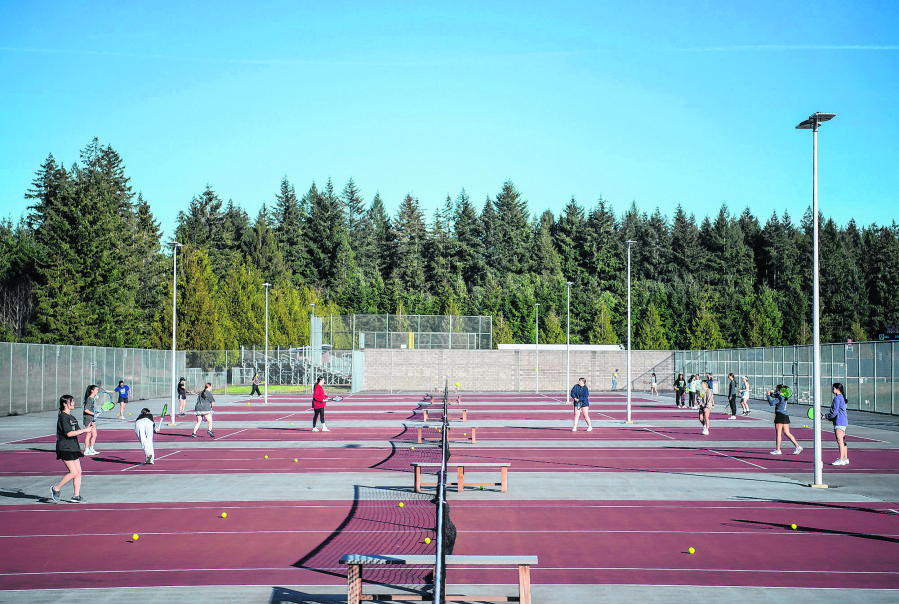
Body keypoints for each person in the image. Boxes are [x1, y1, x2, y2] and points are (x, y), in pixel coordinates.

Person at [51, 395, 92, 503]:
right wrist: (85, 430)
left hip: (73, 447)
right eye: (71, 401)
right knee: (73, 472)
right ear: (65, 404)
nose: (73, 403)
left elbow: (78, 431)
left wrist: (86, 429)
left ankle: (76, 496)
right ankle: (56, 488)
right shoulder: (63, 417)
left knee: (79, 472)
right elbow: (69, 433)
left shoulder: (72, 417)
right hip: (65, 447)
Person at [767, 385, 802, 455]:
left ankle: (778, 450)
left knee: (778, 433)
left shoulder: (780, 397)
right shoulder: (783, 396)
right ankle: (797, 446)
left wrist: (768, 396)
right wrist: (771, 393)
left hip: (780, 415)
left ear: (780, 390)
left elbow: (771, 403)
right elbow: (775, 395)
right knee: (787, 433)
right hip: (785, 415)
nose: (776, 390)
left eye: (777, 389)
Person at [825, 383, 849, 465]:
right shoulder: (842, 397)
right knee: (843, 441)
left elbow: (834, 412)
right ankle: (845, 458)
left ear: (836, 389)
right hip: (844, 421)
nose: (832, 389)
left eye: (833, 388)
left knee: (840, 441)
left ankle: (841, 459)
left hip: (839, 421)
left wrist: (826, 416)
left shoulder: (837, 398)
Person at [82, 385, 99, 456]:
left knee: (94, 434)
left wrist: (96, 413)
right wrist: (93, 414)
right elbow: (86, 410)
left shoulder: (93, 399)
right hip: (88, 418)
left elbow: (92, 409)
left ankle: (91, 449)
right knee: (88, 434)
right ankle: (86, 450)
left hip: (92, 419)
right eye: (96, 390)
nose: (97, 391)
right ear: (92, 391)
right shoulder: (89, 399)